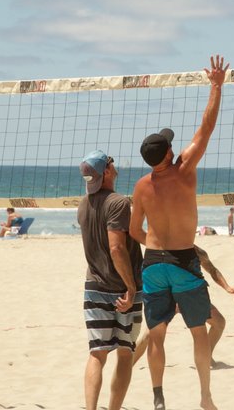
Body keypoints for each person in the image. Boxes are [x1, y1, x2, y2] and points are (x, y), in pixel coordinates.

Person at [129, 54, 228, 410]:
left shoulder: (141, 186)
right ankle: (205, 397)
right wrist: (216, 86)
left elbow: (133, 230)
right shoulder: (184, 170)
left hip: (153, 263)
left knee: (156, 335)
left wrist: (154, 244)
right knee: (198, 332)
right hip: (184, 260)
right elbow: (207, 127)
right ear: (170, 152)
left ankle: (158, 398)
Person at [78, 150, 143, 410]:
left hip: (93, 286)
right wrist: (130, 286)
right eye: (111, 162)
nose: (115, 165)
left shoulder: (84, 203)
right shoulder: (117, 202)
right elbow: (116, 248)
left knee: (97, 353)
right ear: (106, 171)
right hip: (121, 290)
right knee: (126, 353)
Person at [132, 245, 234, 368]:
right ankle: (129, 365)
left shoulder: (197, 252)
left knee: (219, 322)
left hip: (190, 296)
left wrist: (227, 287)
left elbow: (212, 269)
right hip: (168, 297)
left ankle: (207, 357)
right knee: (150, 333)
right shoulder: (162, 249)